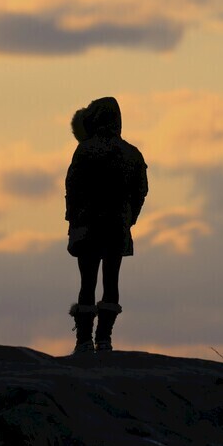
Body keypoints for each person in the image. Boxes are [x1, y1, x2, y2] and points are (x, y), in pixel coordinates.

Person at [65, 96, 148, 354]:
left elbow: (72, 187)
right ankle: (104, 339)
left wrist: (73, 219)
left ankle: (83, 341)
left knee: (86, 281)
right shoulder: (132, 153)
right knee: (112, 281)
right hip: (116, 226)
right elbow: (141, 191)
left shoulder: (85, 150)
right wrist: (129, 219)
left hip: (88, 225)